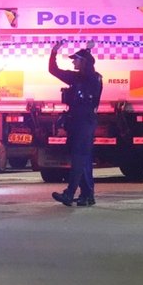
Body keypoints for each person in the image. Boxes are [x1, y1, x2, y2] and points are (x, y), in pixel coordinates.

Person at [49, 42, 102, 207]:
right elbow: (53, 70)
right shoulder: (78, 77)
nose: (73, 63)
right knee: (83, 160)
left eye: (76, 60)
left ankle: (70, 193)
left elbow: (89, 76)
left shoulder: (92, 78)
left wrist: (87, 51)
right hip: (77, 122)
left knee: (79, 159)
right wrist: (53, 52)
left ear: (84, 62)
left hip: (85, 123)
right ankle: (87, 195)